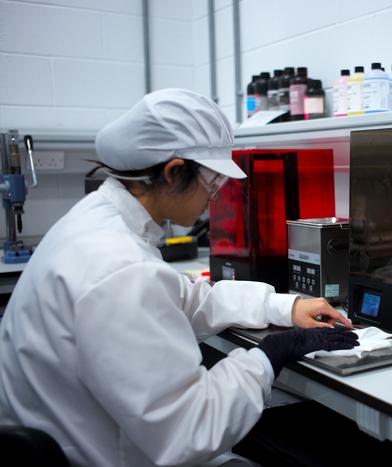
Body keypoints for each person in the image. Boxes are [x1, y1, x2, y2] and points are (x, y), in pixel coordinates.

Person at [0, 88, 358, 467]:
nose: (216, 196)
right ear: (173, 173)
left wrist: (284, 306)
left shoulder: (96, 223)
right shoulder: (120, 267)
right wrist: (269, 356)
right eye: (213, 181)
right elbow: (193, 431)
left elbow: (186, 299)